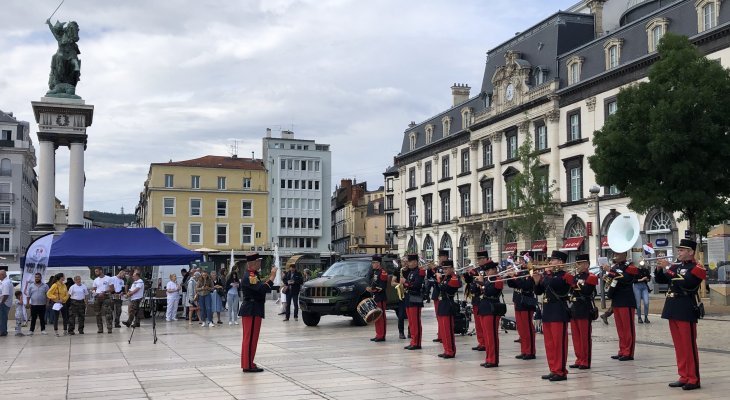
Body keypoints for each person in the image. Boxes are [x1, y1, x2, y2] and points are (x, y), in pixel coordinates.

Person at [655, 239, 706, 391]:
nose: (679, 252)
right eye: (679, 249)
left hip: (685, 308)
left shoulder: (697, 268)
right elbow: (661, 280)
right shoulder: (677, 266)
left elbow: (686, 283)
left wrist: (669, 268)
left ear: (691, 252)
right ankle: (683, 375)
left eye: (682, 250)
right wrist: (659, 269)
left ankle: (693, 378)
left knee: (688, 346)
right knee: (679, 346)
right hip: (673, 307)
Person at [533, 250, 574, 382]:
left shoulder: (565, 276)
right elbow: (539, 291)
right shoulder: (550, 276)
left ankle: (561, 371)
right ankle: (553, 369)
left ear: (560, 262)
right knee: (549, 344)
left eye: (553, 260)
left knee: (559, 344)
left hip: (559, 311)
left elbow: (554, 284)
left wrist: (545, 275)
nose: (549, 262)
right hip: (548, 311)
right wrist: (536, 282)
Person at [239, 253, 277, 373]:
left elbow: (259, 287)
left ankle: (248, 362)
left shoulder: (253, 275)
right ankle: (248, 365)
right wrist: (272, 276)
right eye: (258, 261)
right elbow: (262, 289)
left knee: (250, 339)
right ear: (252, 263)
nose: (260, 263)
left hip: (253, 308)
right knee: (250, 339)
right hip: (252, 309)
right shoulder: (251, 275)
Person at [605, 252, 639, 361]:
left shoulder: (630, 267)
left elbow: (626, 279)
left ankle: (629, 352)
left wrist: (610, 271)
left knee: (628, 328)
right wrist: (608, 277)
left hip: (626, 300)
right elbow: (610, 280)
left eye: (618, 254)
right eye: (615, 254)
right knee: (620, 328)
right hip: (617, 299)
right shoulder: (615, 267)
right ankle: (622, 350)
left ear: (624, 255)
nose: (615, 256)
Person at [569, 254, 598, 370]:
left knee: (584, 337)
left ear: (586, 264)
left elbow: (586, 291)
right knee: (576, 337)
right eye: (577, 263)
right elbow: (570, 290)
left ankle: (585, 360)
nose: (577, 265)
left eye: (580, 263)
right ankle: (579, 358)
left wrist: (574, 284)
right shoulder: (575, 277)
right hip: (574, 308)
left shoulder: (591, 277)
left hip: (584, 307)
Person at [507, 251, 538, 360]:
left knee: (527, 328)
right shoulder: (521, 272)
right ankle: (524, 350)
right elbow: (512, 284)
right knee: (521, 328)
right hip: (518, 300)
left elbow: (526, 285)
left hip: (526, 301)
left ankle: (530, 351)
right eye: (521, 260)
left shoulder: (532, 271)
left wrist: (515, 277)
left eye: (523, 260)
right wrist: (510, 276)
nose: (521, 262)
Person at [476, 260, 503, 368]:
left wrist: (482, 283)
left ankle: (493, 359)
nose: (486, 272)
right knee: (487, 336)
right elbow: (477, 291)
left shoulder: (498, 279)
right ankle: (488, 358)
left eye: (488, 270)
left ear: (494, 270)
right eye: (485, 270)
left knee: (492, 336)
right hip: (484, 308)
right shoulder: (488, 280)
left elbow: (491, 291)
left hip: (492, 309)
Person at [463, 250, 491, 352]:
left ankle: (485, 342)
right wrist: (467, 274)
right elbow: (468, 280)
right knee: (478, 323)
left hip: (483, 298)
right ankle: (481, 342)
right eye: (478, 259)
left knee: (483, 323)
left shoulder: (489, 269)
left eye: (480, 259)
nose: (478, 261)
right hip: (475, 298)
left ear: (485, 259)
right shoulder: (477, 269)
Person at [435, 260, 461, 358]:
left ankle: (450, 351)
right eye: (444, 268)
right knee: (443, 329)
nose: (444, 270)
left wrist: (439, 280)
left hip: (448, 304)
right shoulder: (446, 277)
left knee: (448, 330)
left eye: (446, 268)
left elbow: (445, 288)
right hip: (442, 304)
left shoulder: (454, 278)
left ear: (452, 268)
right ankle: (446, 349)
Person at [401, 254, 425, 350]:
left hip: (415, 297)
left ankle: (417, 343)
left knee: (415, 322)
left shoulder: (420, 271)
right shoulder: (411, 272)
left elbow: (417, 285)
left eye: (409, 261)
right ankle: (413, 341)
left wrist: (405, 282)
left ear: (415, 262)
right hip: (408, 297)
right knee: (411, 322)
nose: (408, 263)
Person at [366, 255, 389, 341]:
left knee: (381, 316)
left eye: (374, 263)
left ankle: (382, 335)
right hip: (375, 297)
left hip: (381, 297)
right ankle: (378, 334)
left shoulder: (383, 272)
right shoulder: (375, 272)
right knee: (376, 316)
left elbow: (382, 287)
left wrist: (372, 289)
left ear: (378, 263)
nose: (372, 264)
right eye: (372, 263)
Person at [428, 249, 449, 343]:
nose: (439, 259)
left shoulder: (447, 268)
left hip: (443, 294)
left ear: (445, 257)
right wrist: (430, 269)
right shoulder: (438, 268)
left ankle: (443, 335)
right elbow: (430, 277)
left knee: (442, 316)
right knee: (438, 316)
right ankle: (440, 334)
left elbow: (440, 278)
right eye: (439, 257)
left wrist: (434, 269)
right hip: (436, 293)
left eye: (441, 257)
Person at [47, 273, 70, 337]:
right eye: (63, 276)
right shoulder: (55, 285)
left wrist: (63, 299)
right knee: (56, 318)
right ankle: (56, 331)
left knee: (65, 317)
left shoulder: (64, 285)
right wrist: (56, 299)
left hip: (63, 303)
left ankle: (65, 331)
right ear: (60, 277)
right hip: (56, 303)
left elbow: (67, 294)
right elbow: (48, 294)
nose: (64, 277)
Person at [92, 268, 113, 334]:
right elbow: (94, 289)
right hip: (98, 297)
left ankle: (109, 328)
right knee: (97, 314)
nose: (96, 272)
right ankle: (100, 329)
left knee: (108, 313)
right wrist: (94, 292)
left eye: (97, 271)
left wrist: (104, 292)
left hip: (106, 296)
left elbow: (112, 288)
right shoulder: (95, 280)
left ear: (101, 271)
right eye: (95, 271)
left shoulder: (108, 278)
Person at [391, 258, 409, 340]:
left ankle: (410, 331)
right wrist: (399, 284)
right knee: (401, 315)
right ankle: (401, 332)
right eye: (403, 262)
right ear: (401, 262)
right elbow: (392, 282)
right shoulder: (398, 270)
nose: (405, 263)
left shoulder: (411, 270)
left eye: (406, 262)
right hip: (401, 294)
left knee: (410, 315)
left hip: (410, 294)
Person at [0, 270, 13, 337]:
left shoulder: (5, 283)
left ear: (2, 275)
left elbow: (5, 295)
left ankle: (2, 332)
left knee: (2, 318)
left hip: (4, 303)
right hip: (6, 303)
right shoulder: (7, 281)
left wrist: (2, 303)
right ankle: (3, 331)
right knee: (3, 318)